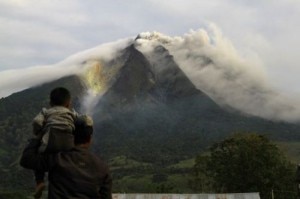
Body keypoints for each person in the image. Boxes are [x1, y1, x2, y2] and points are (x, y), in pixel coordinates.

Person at [20, 115, 112, 199]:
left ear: (71, 136)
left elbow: (26, 160)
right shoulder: (102, 167)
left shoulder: (57, 159)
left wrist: (40, 135)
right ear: (90, 138)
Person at [31, 87, 79, 198]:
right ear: (68, 103)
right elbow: (85, 120)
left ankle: (40, 182)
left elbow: (37, 121)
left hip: (51, 142)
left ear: (50, 102)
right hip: (68, 144)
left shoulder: (46, 111)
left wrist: (38, 131)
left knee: (38, 157)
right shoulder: (71, 113)